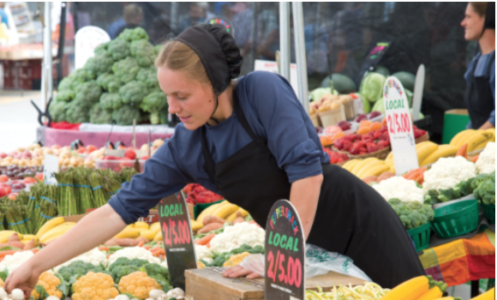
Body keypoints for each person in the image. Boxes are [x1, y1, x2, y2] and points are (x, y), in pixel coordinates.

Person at [4, 25, 425, 295]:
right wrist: (35, 264)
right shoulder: (186, 147)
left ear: (215, 82)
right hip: (305, 255)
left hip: (359, 230)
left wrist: (277, 254)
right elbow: (116, 213)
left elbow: (307, 176)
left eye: (181, 96)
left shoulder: (262, 93)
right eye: (167, 97)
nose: (172, 109)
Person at [461, 2, 495, 129]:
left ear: (485, 18)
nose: (463, 23)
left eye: (468, 17)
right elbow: (475, 116)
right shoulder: (475, 61)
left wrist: (475, 139)